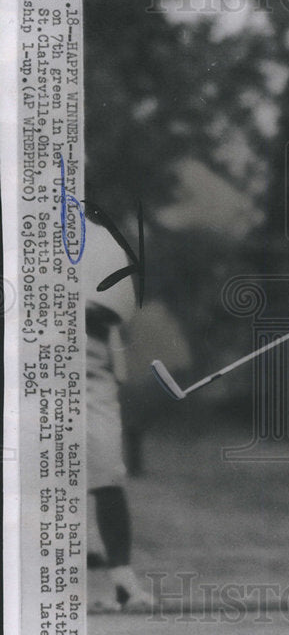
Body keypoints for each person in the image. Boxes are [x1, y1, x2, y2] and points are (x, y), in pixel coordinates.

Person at [85, 213, 155, 611]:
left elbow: (114, 308)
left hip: (88, 370)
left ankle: (123, 583)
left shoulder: (97, 238)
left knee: (108, 472)